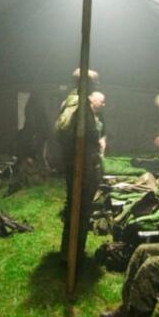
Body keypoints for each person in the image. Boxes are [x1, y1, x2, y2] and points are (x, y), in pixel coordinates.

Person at [55, 69, 104, 263]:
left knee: (73, 206)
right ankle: (74, 254)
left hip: (73, 161)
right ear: (87, 83)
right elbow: (83, 132)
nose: (96, 86)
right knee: (81, 209)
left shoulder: (68, 100)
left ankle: (68, 251)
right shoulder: (80, 103)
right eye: (95, 83)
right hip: (82, 164)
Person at [89, 91, 108, 156]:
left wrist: (102, 141)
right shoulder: (85, 115)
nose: (103, 104)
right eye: (101, 102)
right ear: (93, 100)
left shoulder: (100, 116)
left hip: (96, 152)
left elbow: (103, 132)